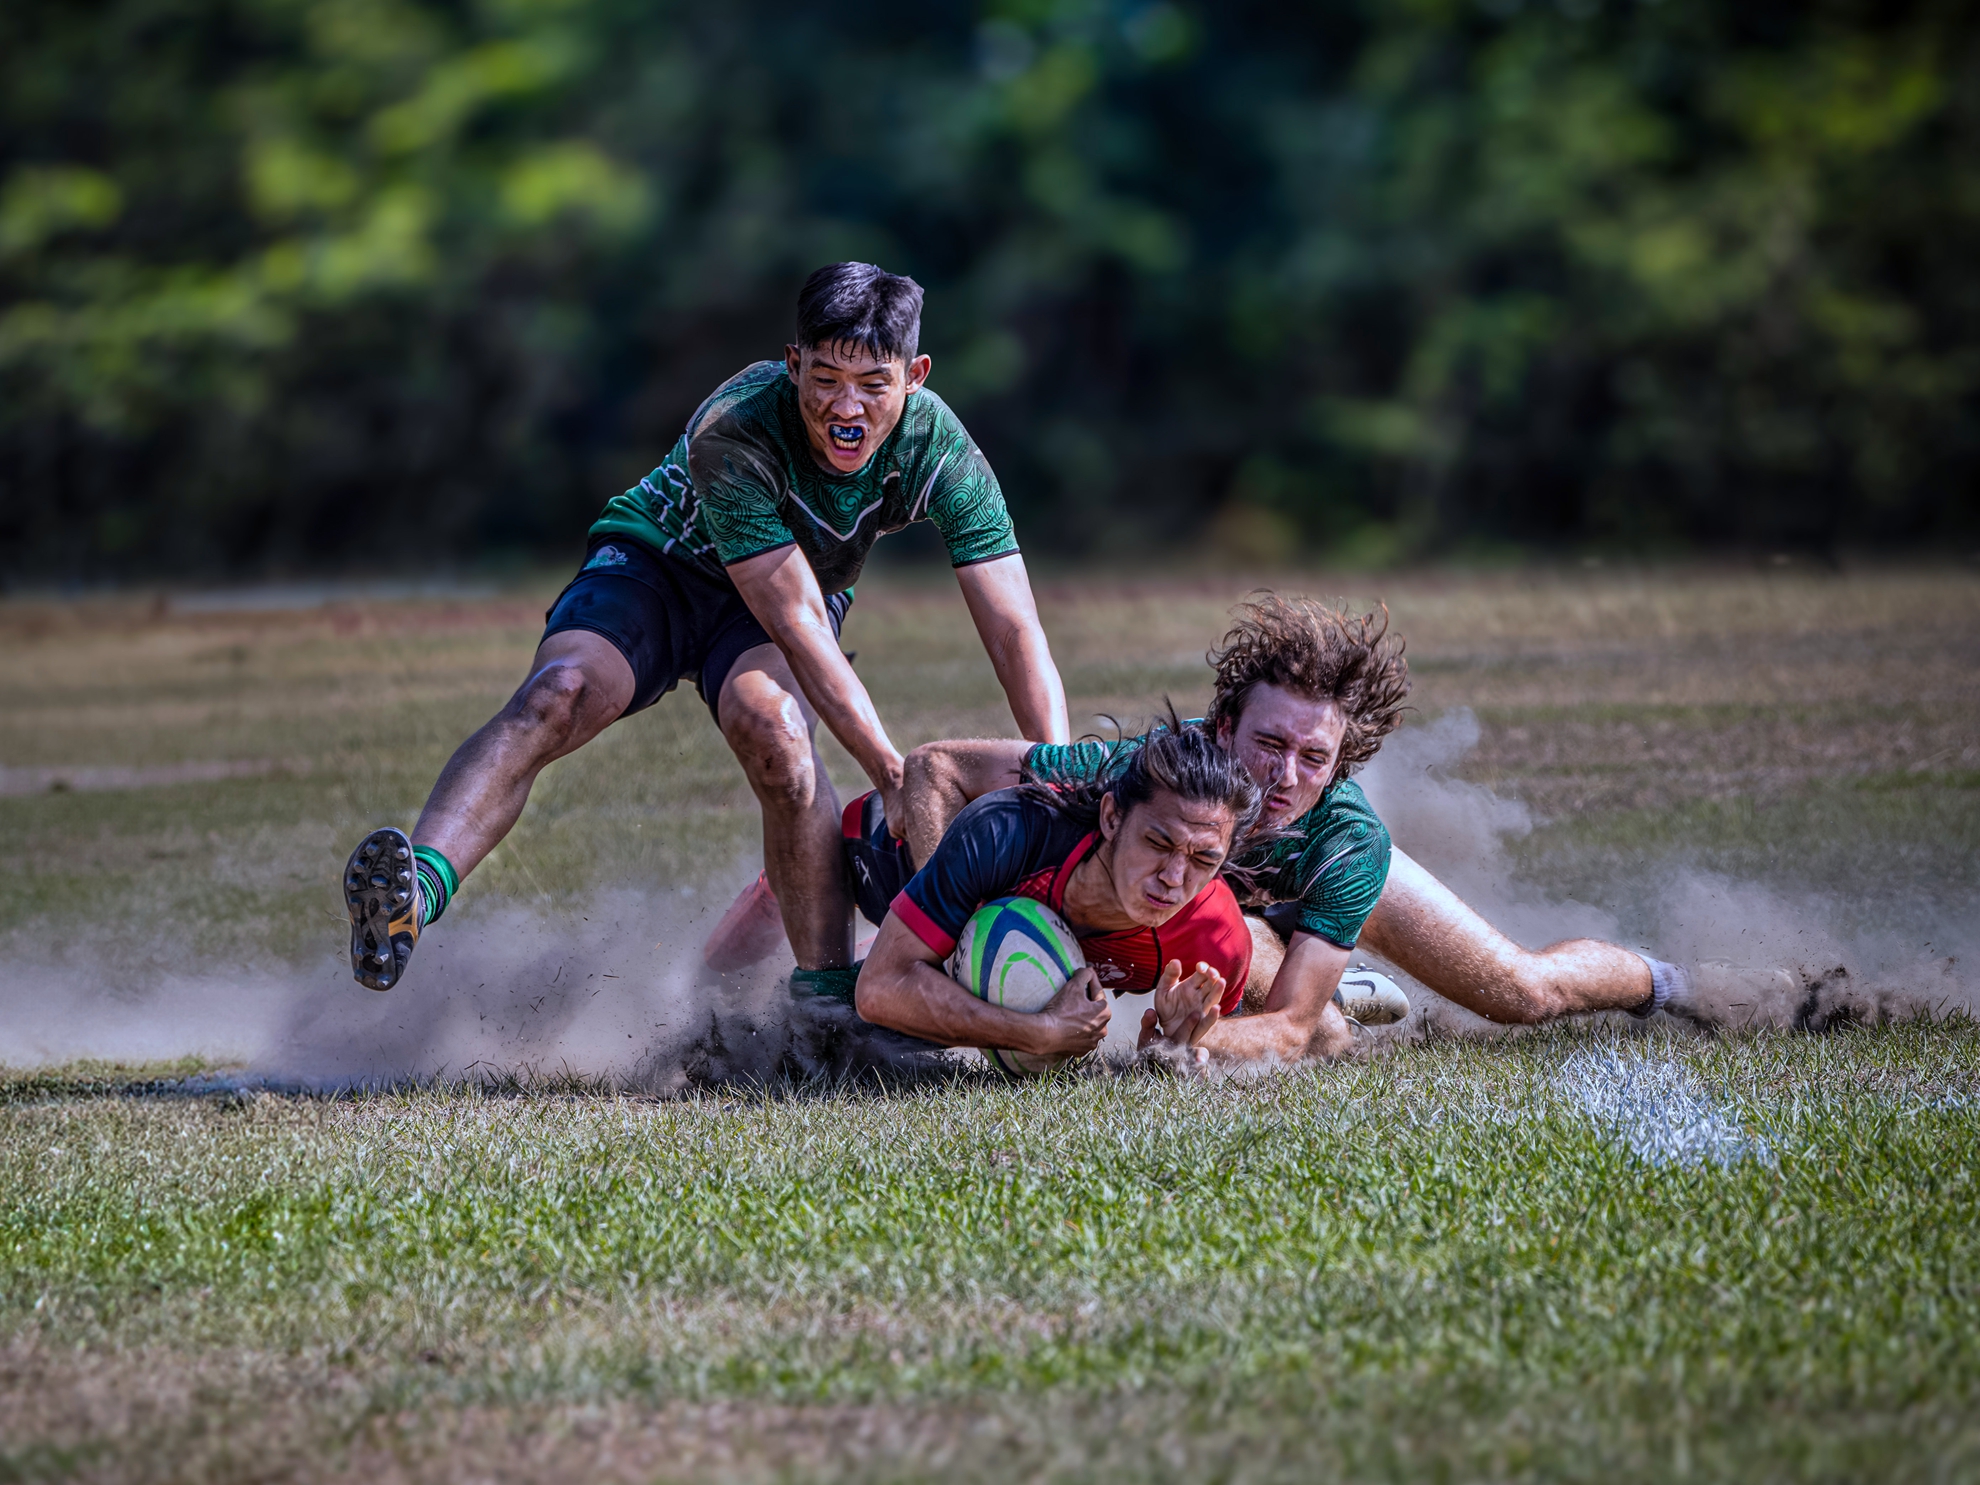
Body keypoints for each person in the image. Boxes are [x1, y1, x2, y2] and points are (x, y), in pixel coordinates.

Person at [341, 263, 1069, 994]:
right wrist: (890, 772)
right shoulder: (739, 425)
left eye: (873, 384)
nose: (845, 408)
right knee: (557, 693)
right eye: (823, 379)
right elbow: (796, 622)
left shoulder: (938, 446)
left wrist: (1060, 774)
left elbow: (1014, 626)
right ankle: (413, 894)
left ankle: (823, 999)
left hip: (782, 598)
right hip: (659, 567)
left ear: (915, 376)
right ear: (792, 364)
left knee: (780, 736)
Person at [720, 595, 1766, 1065]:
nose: (1285, 777)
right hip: (1194, 905)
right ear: (1226, 728)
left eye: (1316, 759)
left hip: (1285, 911)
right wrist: (969, 912)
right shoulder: (1141, 780)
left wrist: (1198, 1044)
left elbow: (1291, 1030)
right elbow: (940, 766)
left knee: (1520, 993)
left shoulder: (1343, 844)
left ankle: (1670, 981)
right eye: (1269, 747)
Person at [854, 721, 1259, 1063]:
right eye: (1157, 843)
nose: (1173, 877)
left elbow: (1199, 1052)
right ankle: (838, 968)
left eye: (1203, 860)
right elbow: (879, 989)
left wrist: (1172, 1049)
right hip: (881, 851)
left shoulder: (1218, 937)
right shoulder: (1010, 831)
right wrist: (1039, 1032)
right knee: (853, 1031)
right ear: (1112, 817)